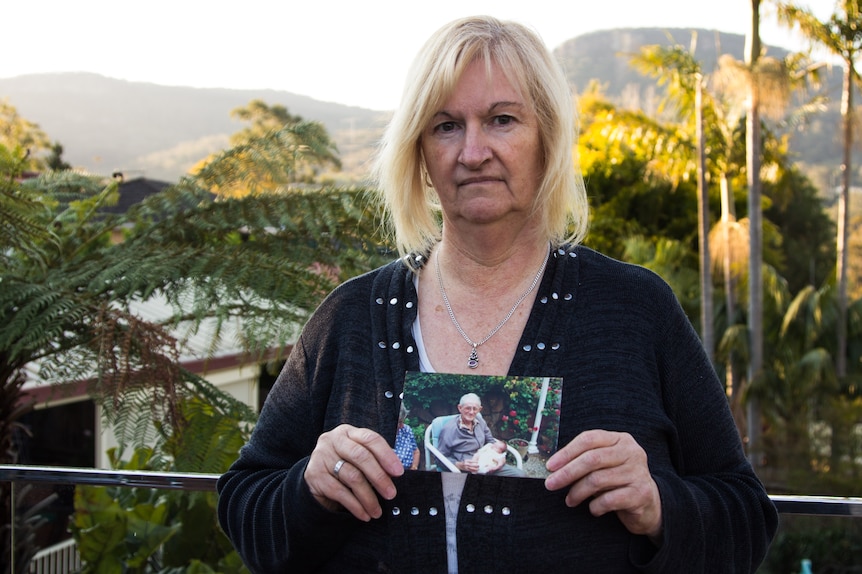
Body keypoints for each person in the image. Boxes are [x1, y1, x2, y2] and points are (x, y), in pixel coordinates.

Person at [217, 15, 778, 573]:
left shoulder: (635, 310)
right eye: (445, 126)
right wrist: (307, 487)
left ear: (548, 138)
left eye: (502, 120)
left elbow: (746, 519)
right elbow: (245, 501)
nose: (473, 151)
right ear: (419, 153)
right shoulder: (351, 318)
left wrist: (658, 505)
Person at [435, 393, 523, 476]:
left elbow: (491, 441)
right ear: (460, 408)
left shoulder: (480, 420)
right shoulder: (449, 429)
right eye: (467, 408)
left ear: (480, 409)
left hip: (489, 462)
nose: (471, 412)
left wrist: (501, 458)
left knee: (520, 475)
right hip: (467, 469)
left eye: (475, 409)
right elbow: (439, 459)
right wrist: (459, 465)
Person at [394, 403, 420, 470]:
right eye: (399, 422)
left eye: (403, 421)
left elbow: (416, 451)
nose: (402, 425)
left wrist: (414, 466)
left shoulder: (406, 429)